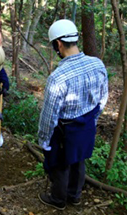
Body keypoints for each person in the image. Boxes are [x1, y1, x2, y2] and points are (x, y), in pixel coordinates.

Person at [37, 19, 108, 210]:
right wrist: (91, 119)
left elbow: (49, 116)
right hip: (86, 126)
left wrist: (43, 140)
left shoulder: (58, 77)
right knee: (79, 159)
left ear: (58, 44)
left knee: (60, 164)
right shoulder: (97, 65)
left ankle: (59, 200)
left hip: (65, 129)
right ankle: (74, 195)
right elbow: (103, 99)